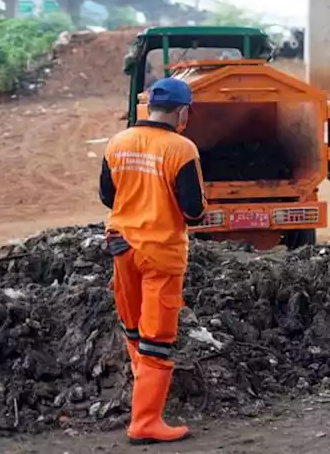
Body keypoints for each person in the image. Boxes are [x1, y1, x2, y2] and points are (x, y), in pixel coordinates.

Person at [99, 77, 206, 444]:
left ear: (149, 107)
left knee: (133, 329)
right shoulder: (182, 149)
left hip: (122, 246)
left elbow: (106, 195)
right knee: (157, 336)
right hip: (160, 253)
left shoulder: (118, 142)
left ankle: (141, 398)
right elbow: (193, 211)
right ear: (182, 112)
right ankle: (145, 421)